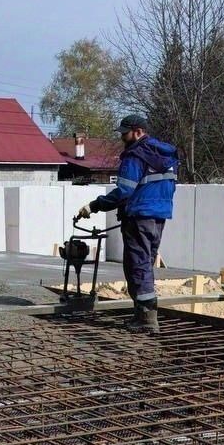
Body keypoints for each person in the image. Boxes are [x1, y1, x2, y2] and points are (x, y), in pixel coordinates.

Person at [78, 115, 178, 334]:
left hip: (139, 216)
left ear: (138, 132)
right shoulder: (165, 155)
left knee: (137, 266)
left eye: (125, 133)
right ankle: (142, 314)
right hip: (158, 216)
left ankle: (147, 319)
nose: (122, 137)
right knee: (145, 264)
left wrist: (95, 205)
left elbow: (124, 191)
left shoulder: (135, 156)